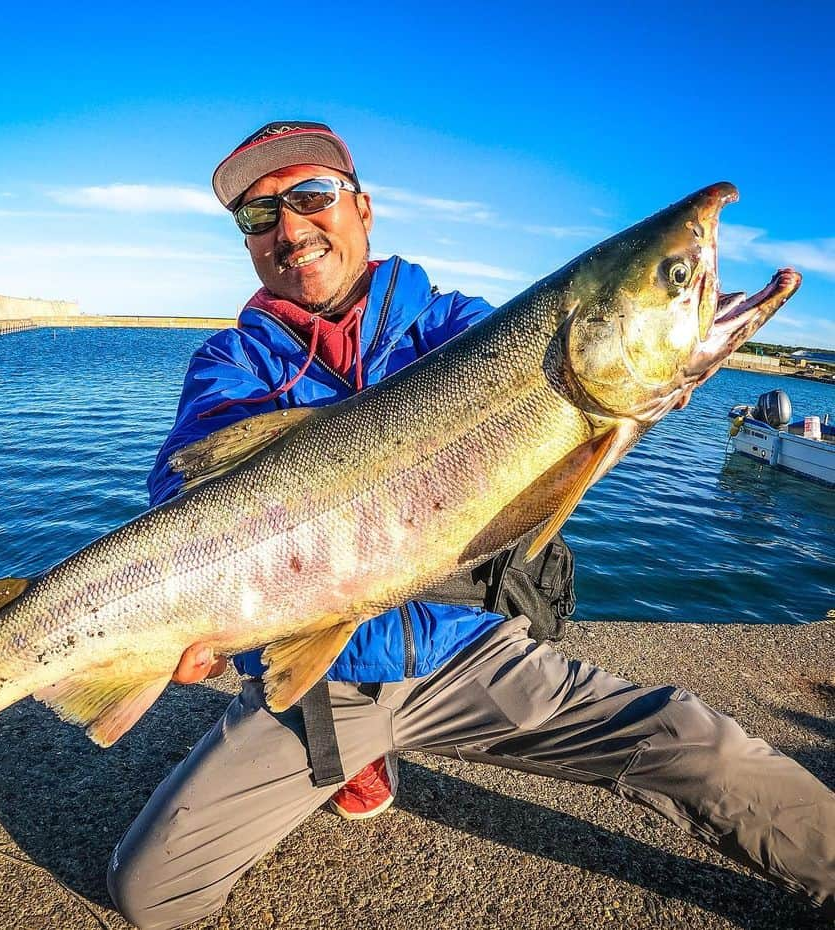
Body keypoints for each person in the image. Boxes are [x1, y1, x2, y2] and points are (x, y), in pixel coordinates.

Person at [107, 121, 835, 929]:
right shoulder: (230, 366)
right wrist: (191, 630)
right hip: (323, 680)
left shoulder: (466, 328)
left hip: (468, 651)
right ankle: (358, 752)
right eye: (258, 215)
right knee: (150, 895)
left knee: (706, 750)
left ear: (363, 207)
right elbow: (181, 510)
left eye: (311, 196)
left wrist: (652, 389)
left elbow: (571, 440)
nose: (289, 228)